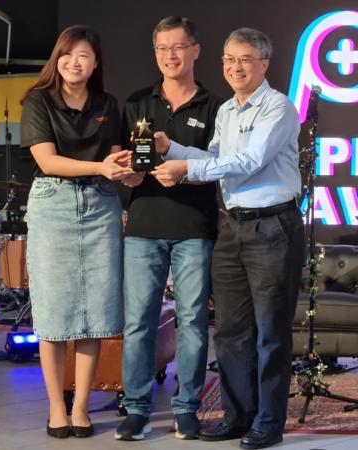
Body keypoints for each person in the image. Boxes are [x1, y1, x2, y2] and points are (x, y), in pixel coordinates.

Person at [152, 27, 304, 450]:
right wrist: (172, 149)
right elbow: (217, 159)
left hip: (272, 227)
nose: (236, 67)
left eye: (245, 59)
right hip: (231, 225)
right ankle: (238, 416)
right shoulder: (226, 111)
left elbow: (250, 161)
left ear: (264, 64)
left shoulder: (279, 107)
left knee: (270, 332)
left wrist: (186, 170)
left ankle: (269, 422)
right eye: (229, 59)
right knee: (231, 331)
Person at [19, 25, 133, 439]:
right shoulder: (38, 100)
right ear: (57, 59)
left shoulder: (107, 103)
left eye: (84, 56)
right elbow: (47, 161)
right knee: (54, 313)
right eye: (67, 55)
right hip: (53, 203)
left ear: (95, 62)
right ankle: (56, 408)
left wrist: (129, 168)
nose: (74, 63)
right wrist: (102, 167)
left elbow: (115, 158)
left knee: (95, 313)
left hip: (101, 204)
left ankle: (82, 406)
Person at [113, 16, 222, 442]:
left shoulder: (214, 106)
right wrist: (128, 174)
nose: (170, 56)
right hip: (144, 225)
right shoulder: (137, 102)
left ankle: (186, 408)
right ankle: (137, 409)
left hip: (194, 227)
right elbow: (127, 161)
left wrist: (183, 169)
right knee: (139, 322)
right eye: (162, 48)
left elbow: (219, 166)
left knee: (193, 321)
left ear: (196, 50)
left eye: (178, 47)